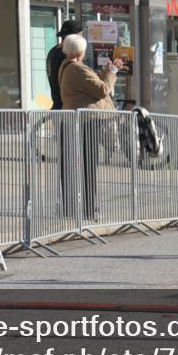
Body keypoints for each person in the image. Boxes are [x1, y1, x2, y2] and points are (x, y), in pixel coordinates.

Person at [60, 33, 122, 219]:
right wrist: (113, 72)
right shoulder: (76, 69)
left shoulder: (68, 67)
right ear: (81, 50)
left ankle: (77, 208)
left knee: (82, 166)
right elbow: (102, 89)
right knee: (88, 166)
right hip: (87, 121)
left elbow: (94, 85)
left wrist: (106, 72)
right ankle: (89, 209)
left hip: (80, 120)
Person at [47, 20, 82, 110]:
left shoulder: (53, 51)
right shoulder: (67, 55)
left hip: (58, 106)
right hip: (67, 109)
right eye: (80, 37)